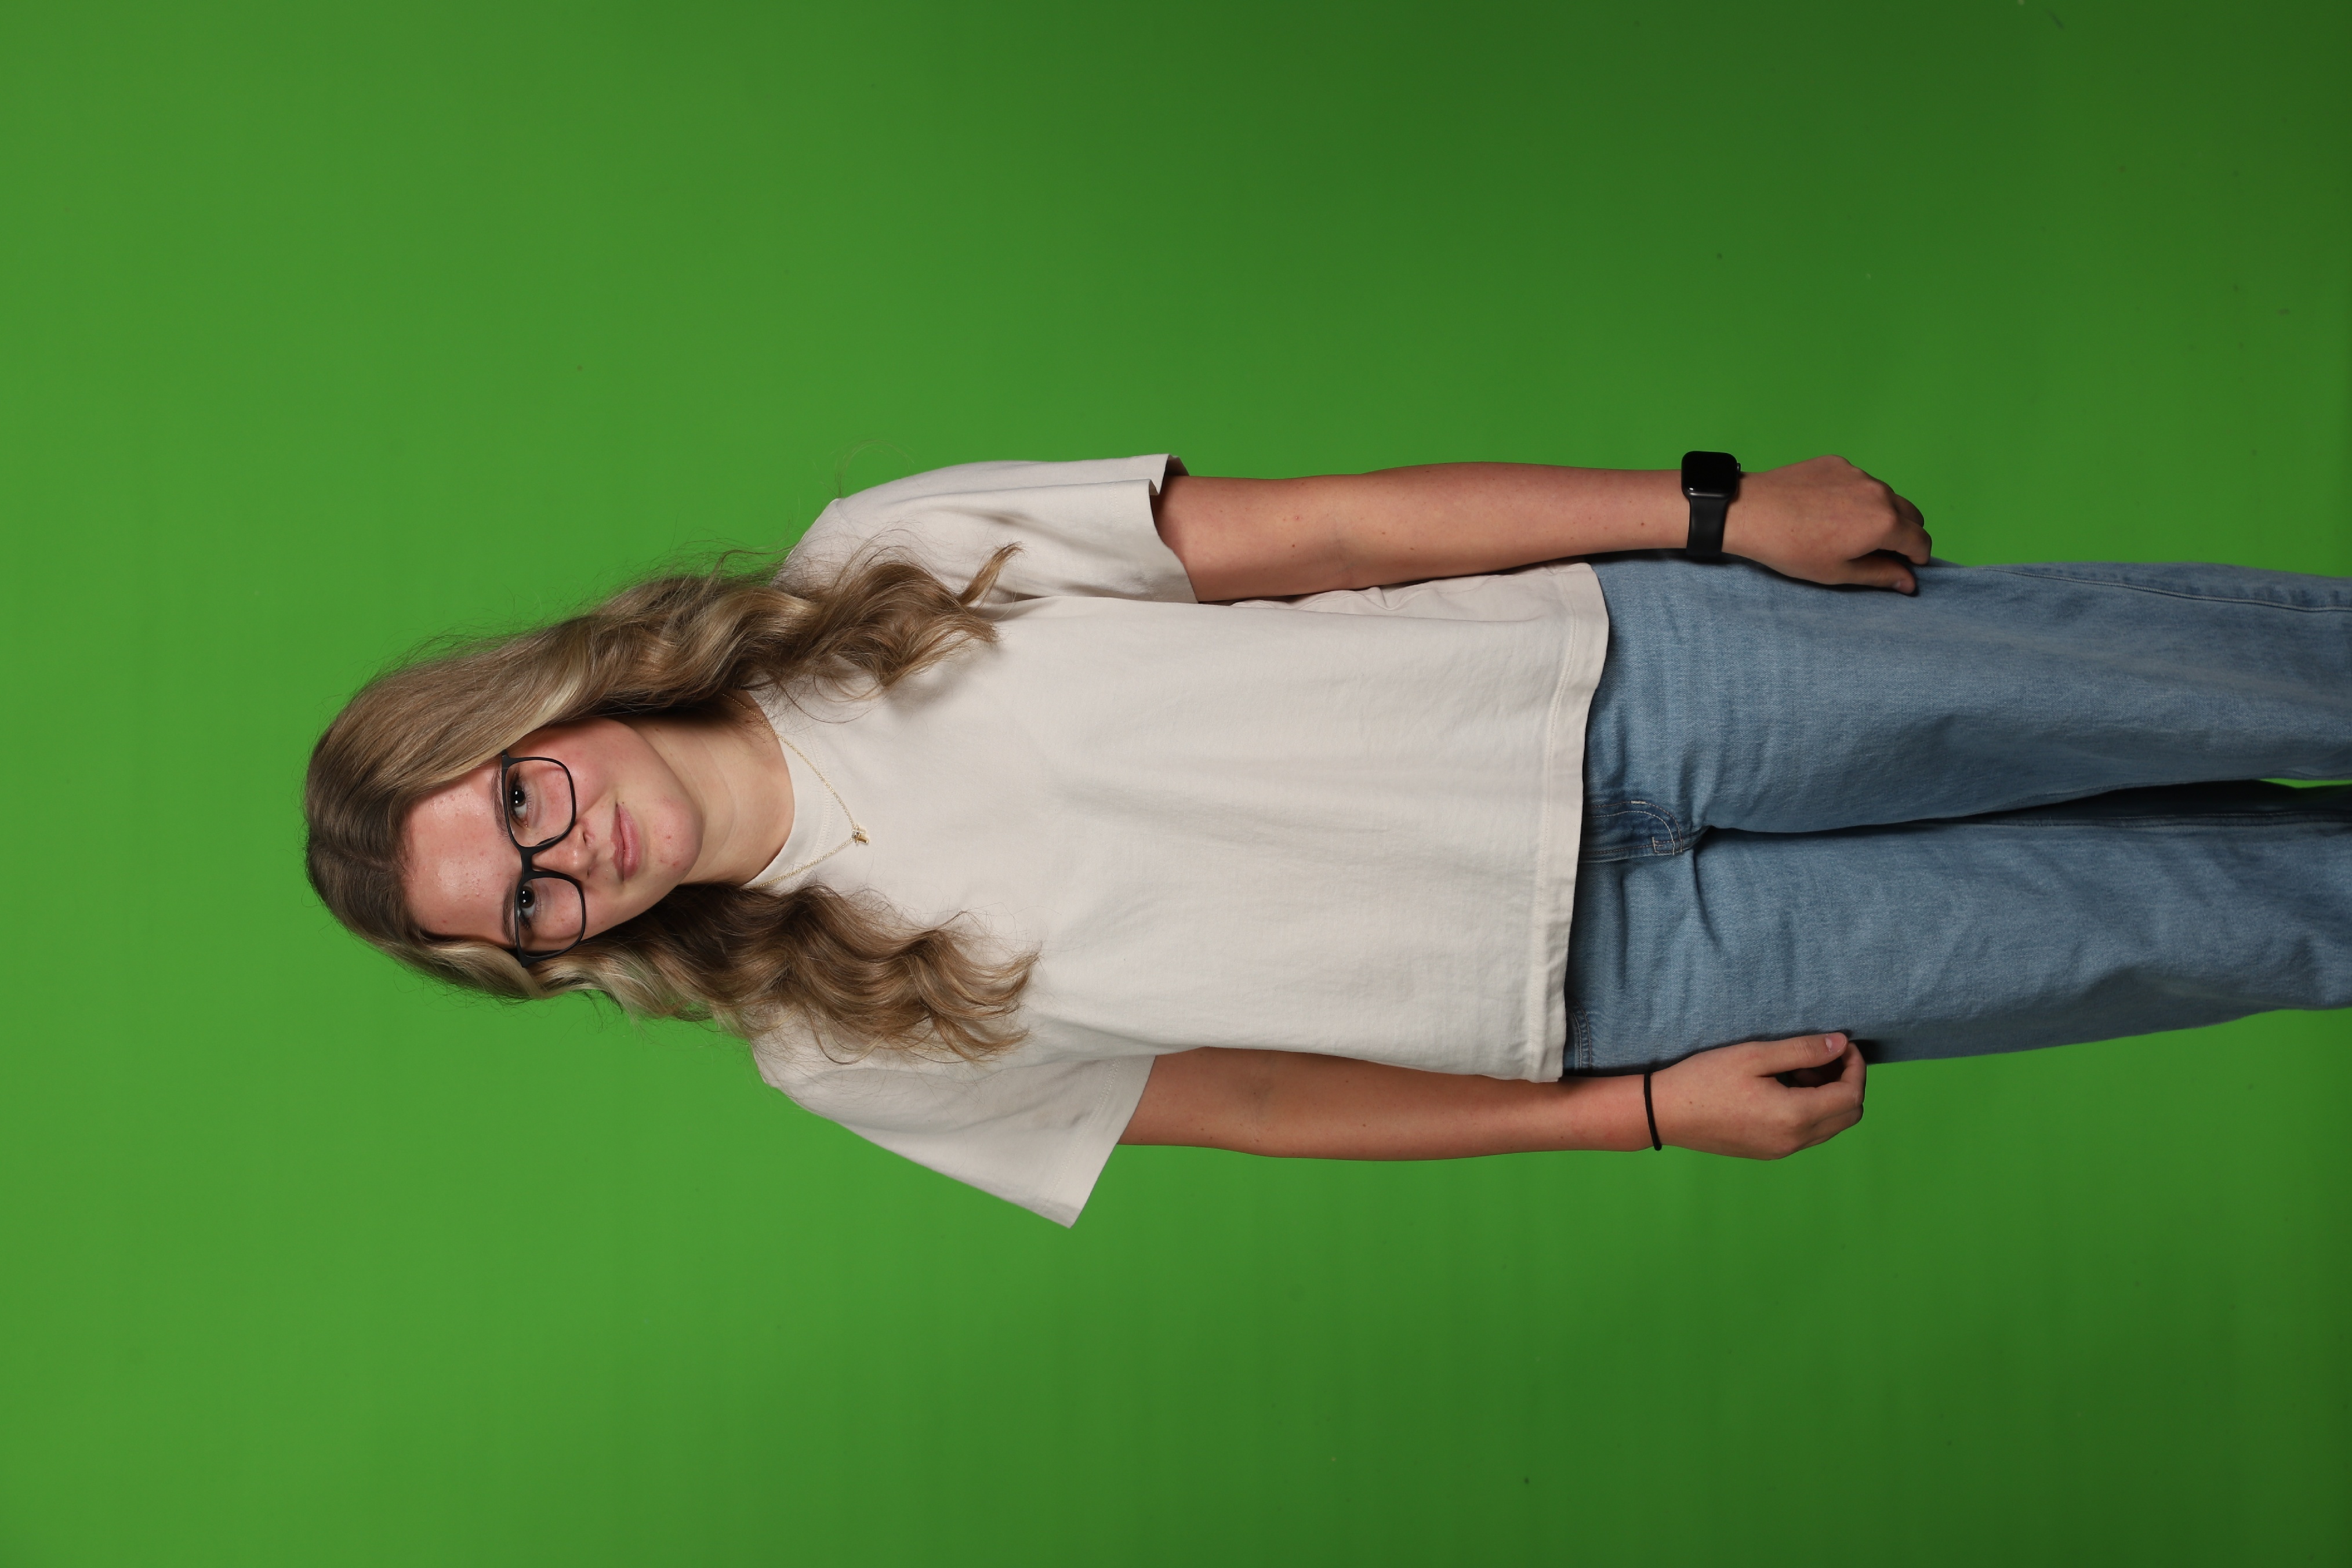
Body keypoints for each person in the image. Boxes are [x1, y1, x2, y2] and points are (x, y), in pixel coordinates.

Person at [306, 454, 2352, 1225]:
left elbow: (1324, 531)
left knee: (2215, 685)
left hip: (1634, 679)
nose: (571, 854)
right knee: (2219, 919)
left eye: (518, 801)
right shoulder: (832, 1047)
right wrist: (1640, 1119)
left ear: (531, 714)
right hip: (1634, 990)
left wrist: (1712, 513)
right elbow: (1264, 1106)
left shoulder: (881, 563)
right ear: (562, 955)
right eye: (534, 910)